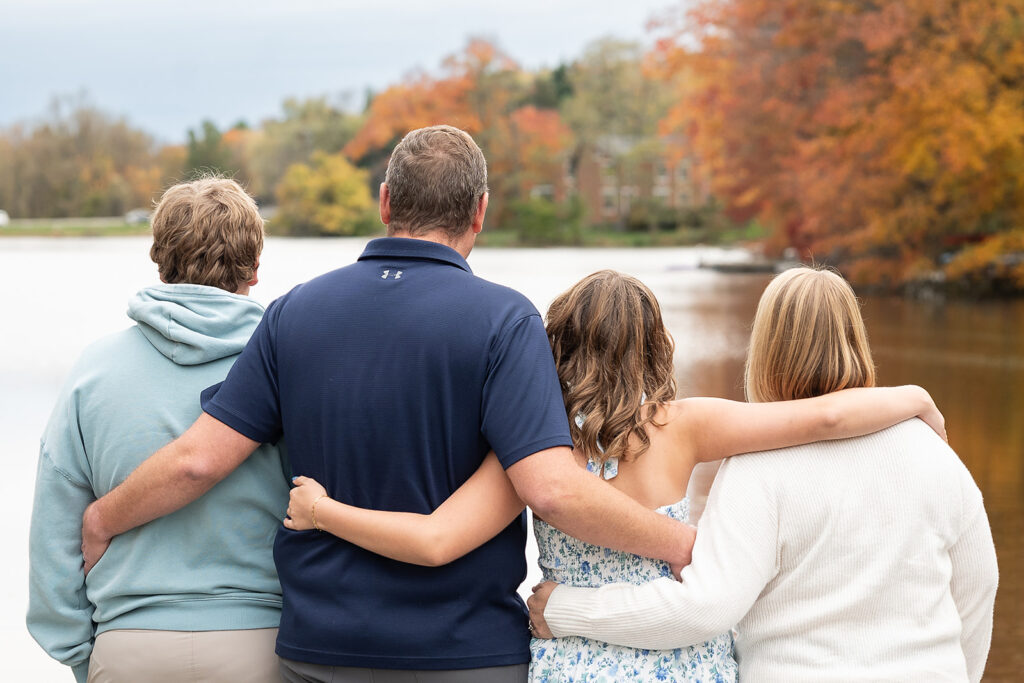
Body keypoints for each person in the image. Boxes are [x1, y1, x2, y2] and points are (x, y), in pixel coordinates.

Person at [80, 126, 702, 683]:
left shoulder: (294, 312)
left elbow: (198, 460)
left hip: (320, 650)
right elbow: (553, 489)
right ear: (480, 212)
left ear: (384, 201)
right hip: (466, 653)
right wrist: (679, 542)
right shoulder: (505, 320)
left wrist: (105, 518)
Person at [285, 269, 948, 682]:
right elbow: (826, 418)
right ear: (658, 345)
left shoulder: (531, 452)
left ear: (555, 344)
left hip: (574, 657)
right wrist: (914, 397)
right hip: (685, 655)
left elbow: (434, 540)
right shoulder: (686, 426)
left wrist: (322, 511)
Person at [528, 266, 999, 683]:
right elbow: (979, 585)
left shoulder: (756, 465)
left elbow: (708, 605)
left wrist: (564, 608)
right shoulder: (936, 454)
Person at [27, 178, 288, 683]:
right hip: (261, 645)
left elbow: (52, 532)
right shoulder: (287, 367)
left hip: (127, 645)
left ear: (158, 258)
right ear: (255, 268)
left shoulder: (94, 371)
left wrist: (83, 655)